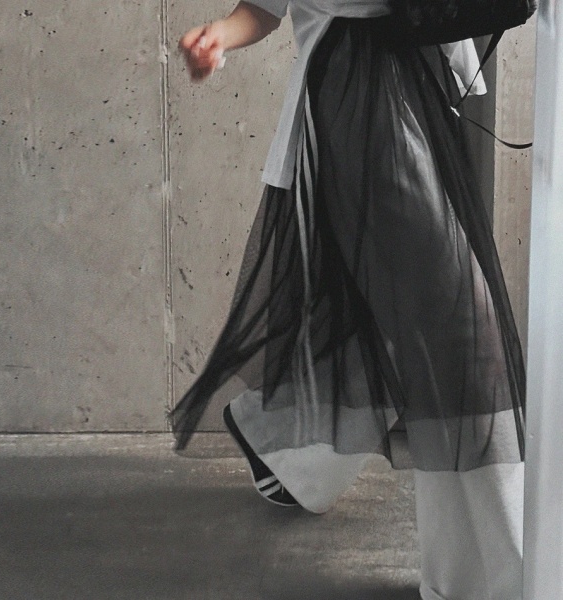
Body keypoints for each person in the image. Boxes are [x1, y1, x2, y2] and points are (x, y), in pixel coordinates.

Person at [173, 2, 526, 599]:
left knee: (399, 310)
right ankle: (501, 580)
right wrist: (220, 37)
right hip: (360, 90)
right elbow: (264, 6)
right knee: (459, 332)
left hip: (417, 73)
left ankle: (283, 446)